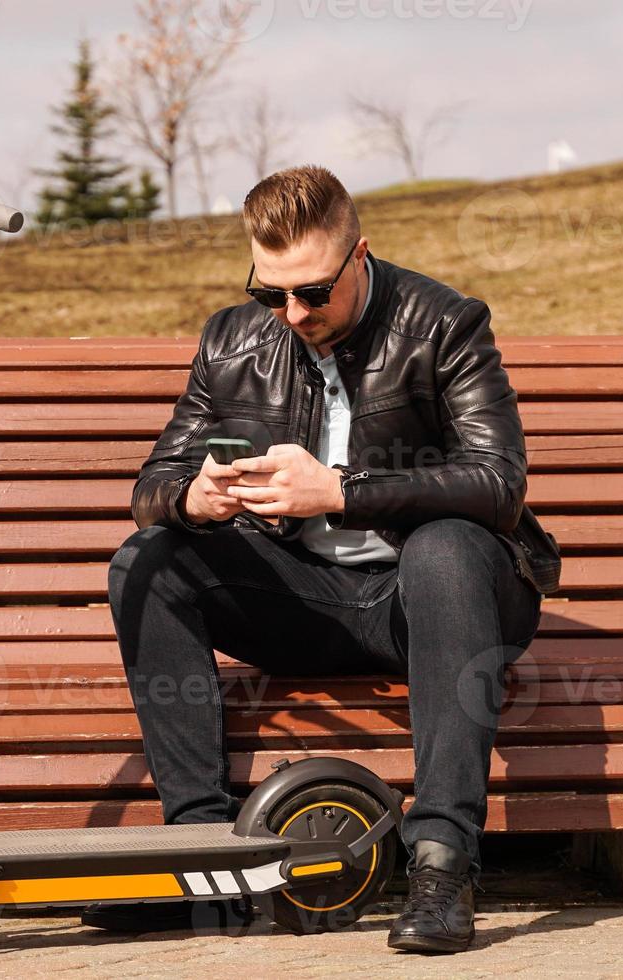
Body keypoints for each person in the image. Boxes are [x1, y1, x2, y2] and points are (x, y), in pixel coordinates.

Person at [86, 165, 562, 954]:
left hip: (441, 603)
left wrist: (341, 491)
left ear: (360, 255)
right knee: (148, 560)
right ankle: (208, 866)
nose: (292, 313)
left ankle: (443, 864)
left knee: (444, 550)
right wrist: (191, 500)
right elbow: (153, 484)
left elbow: (498, 483)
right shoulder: (232, 338)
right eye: (271, 292)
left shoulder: (443, 323)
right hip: (311, 601)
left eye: (311, 291)